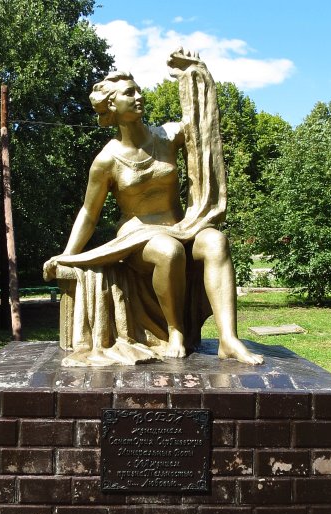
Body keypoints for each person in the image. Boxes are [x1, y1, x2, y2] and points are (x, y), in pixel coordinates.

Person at [43, 49, 262, 366]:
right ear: (111, 106)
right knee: (167, 250)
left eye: (138, 90)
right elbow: (89, 213)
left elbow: (203, 125)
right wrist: (68, 254)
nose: (139, 97)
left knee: (216, 240)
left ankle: (228, 339)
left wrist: (195, 74)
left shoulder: (168, 136)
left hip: (182, 227)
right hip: (139, 238)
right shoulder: (106, 160)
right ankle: (175, 332)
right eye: (129, 93)